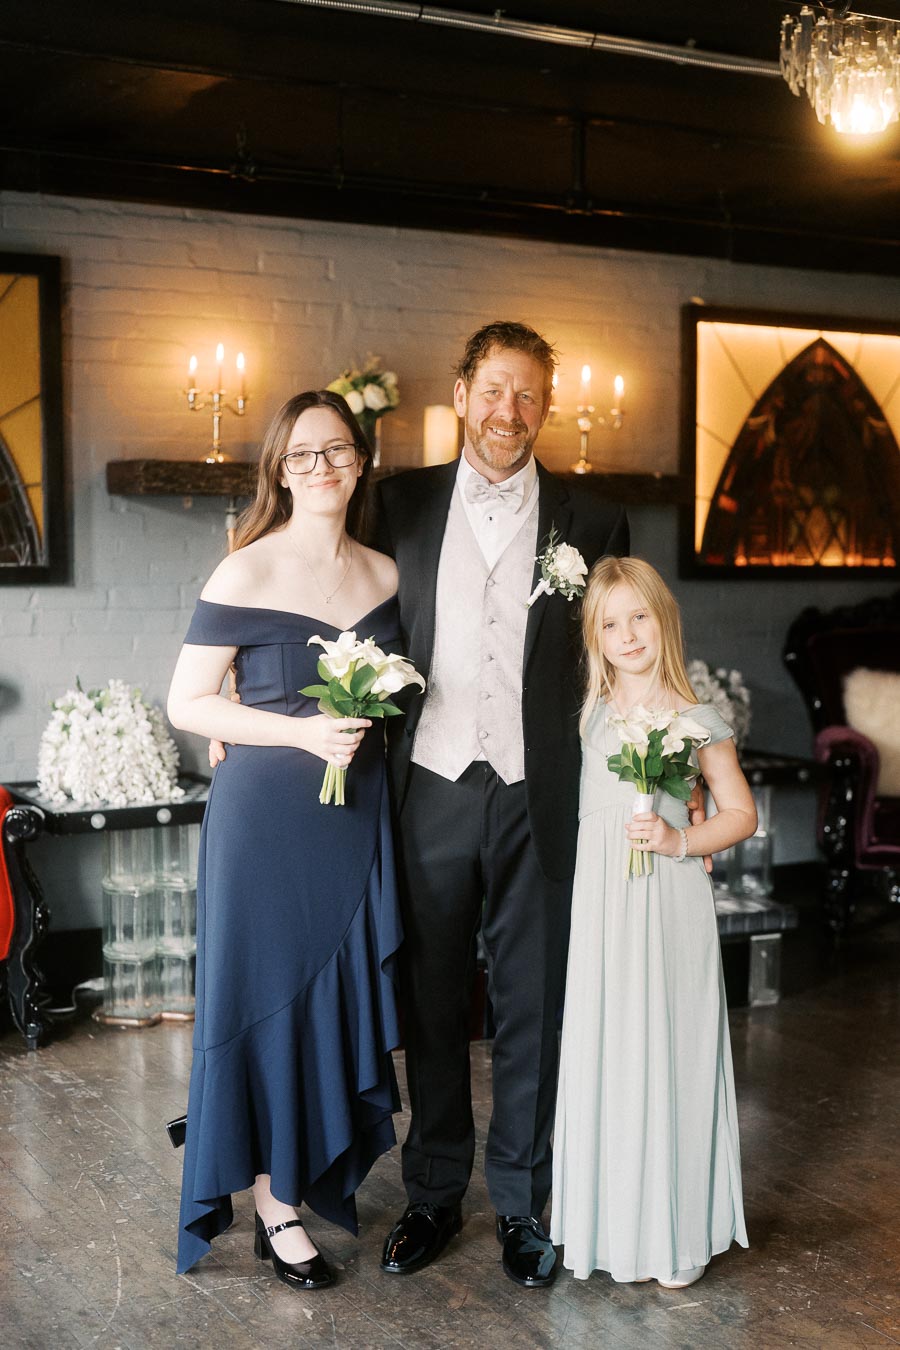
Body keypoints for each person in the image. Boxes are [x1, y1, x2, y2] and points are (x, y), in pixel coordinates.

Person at [374, 321, 630, 1288]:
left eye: (527, 396)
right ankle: (436, 1191)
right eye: (494, 390)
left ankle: (524, 1202)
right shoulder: (393, 504)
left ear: (547, 410)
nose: (508, 412)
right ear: (462, 392)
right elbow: (340, 619)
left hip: (542, 796)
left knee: (535, 1004)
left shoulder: (595, 519)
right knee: (432, 999)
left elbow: (616, 654)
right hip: (431, 786)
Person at [167, 390, 402, 1287]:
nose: (322, 468)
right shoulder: (244, 571)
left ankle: (301, 1173)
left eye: (337, 450)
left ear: (359, 461)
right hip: (265, 827)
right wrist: (302, 731)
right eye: (302, 455)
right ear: (279, 468)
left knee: (327, 1004)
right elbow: (188, 702)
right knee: (268, 1001)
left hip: (355, 821)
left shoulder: (386, 574)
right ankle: (273, 1204)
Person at [551, 556, 755, 1287]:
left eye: (639, 616)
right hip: (603, 904)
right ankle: (608, 1227)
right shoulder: (589, 713)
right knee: (611, 1048)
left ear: (663, 619)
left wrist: (680, 839)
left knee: (670, 1048)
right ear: (594, 636)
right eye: (610, 623)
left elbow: (740, 813)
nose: (627, 633)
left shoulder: (695, 717)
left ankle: (675, 1234)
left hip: (669, 902)